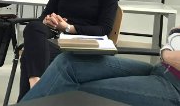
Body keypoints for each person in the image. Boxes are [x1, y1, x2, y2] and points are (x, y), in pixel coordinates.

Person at [18, 0, 119, 101]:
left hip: (85, 40)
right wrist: (48, 20)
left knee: (29, 55)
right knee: (34, 27)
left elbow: (103, 29)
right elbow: (45, 15)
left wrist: (68, 28)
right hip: (57, 35)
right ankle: (36, 86)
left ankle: (29, 99)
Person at [20, 29, 180, 106]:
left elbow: (170, 48)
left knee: (78, 91)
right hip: (160, 69)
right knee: (68, 62)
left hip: (174, 86)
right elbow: (175, 34)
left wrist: (166, 53)